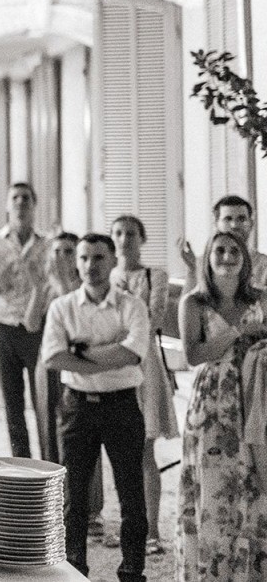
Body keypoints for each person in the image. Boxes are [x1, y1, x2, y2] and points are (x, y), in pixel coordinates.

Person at [41, 233, 149, 582]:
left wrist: (82, 353)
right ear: (77, 263)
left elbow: (134, 352)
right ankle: (74, 568)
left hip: (121, 404)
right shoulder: (62, 307)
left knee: (131, 492)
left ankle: (132, 568)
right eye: (84, 258)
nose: (91, 266)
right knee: (73, 495)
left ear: (114, 260)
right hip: (77, 408)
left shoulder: (132, 306)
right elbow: (54, 358)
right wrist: (110, 354)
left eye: (99, 257)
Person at [176, 231, 267, 581]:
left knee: (254, 480)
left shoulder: (261, 297)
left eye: (234, 251)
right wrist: (237, 332)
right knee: (212, 484)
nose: (227, 257)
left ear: (245, 259)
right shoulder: (194, 303)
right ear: (207, 258)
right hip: (212, 401)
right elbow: (194, 355)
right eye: (219, 251)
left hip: (253, 394)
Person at [109, 215, 177, 556]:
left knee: (145, 450)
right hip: (111, 366)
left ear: (142, 238)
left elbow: (152, 320)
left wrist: (117, 330)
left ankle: (151, 530)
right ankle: (126, 525)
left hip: (144, 366)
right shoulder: (105, 275)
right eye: (118, 233)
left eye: (131, 234)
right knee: (118, 451)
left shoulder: (155, 276)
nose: (124, 240)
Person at [0, 182, 50, 459]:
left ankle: (49, 461)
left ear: (34, 205)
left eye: (26, 198)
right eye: (15, 198)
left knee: (43, 400)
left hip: (37, 328)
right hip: (3, 328)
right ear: (8, 205)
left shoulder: (48, 244)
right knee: (12, 405)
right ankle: (21, 463)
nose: (20, 203)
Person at [24, 231, 79, 465]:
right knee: (47, 426)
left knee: (75, 429)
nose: (61, 257)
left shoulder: (83, 285)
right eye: (56, 251)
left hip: (74, 364)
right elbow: (31, 324)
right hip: (46, 365)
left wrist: (63, 284)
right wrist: (37, 288)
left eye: (68, 251)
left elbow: (76, 322)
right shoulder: (45, 285)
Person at [180, 194, 267, 291]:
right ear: (216, 223)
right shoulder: (199, 264)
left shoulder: (264, 265)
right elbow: (186, 304)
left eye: (241, 219)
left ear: (251, 224)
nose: (234, 225)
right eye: (228, 219)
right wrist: (192, 271)